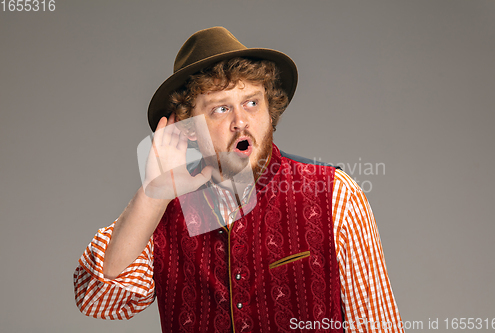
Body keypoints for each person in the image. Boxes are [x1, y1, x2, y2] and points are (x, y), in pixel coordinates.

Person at [74, 27, 404, 332]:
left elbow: (378, 325)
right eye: (220, 109)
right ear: (189, 128)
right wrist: (154, 192)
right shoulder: (162, 213)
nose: (240, 122)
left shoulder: (334, 195)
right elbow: (98, 298)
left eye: (251, 103)